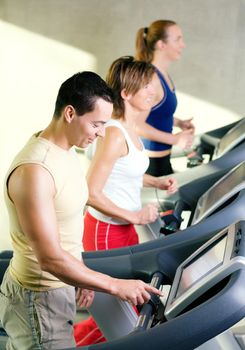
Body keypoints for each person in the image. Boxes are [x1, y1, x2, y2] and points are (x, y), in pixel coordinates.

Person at [0, 71, 162, 350]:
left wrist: (81, 275)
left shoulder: (65, 149)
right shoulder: (35, 171)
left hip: (57, 287)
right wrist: (113, 285)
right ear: (70, 113)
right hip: (38, 298)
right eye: (97, 124)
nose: (101, 133)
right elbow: (50, 258)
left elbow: (65, 228)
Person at [74, 56, 177, 346]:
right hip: (107, 230)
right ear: (126, 93)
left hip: (122, 228)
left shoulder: (127, 130)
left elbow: (122, 173)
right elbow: (91, 191)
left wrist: (155, 181)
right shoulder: (116, 134)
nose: (152, 92)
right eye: (144, 86)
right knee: (116, 315)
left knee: (125, 312)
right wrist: (136, 216)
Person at [135, 19, 195, 176]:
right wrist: (175, 140)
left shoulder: (162, 74)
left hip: (162, 160)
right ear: (161, 45)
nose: (183, 44)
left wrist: (179, 122)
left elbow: (156, 113)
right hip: (150, 165)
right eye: (178, 39)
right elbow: (137, 124)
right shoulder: (151, 78)